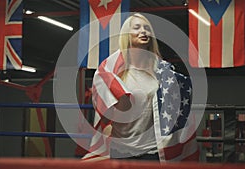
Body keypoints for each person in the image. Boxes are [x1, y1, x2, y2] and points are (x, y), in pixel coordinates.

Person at [82, 13, 199, 162]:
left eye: (146, 28)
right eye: (137, 27)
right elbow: (105, 109)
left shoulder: (163, 72)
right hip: (121, 151)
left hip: (152, 152)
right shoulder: (110, 71)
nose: (143, 31)